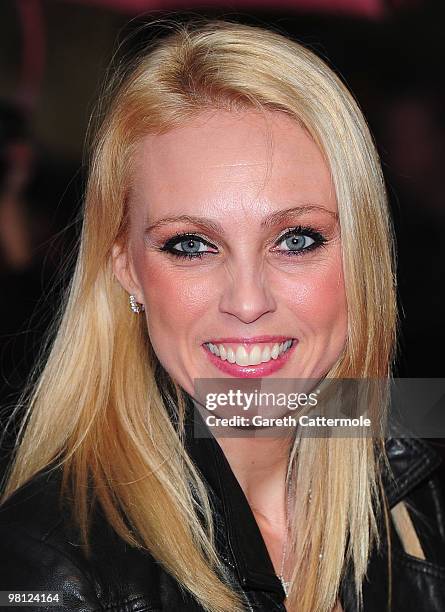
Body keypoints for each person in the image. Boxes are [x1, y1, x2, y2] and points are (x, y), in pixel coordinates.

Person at [0, 18, 444, 612]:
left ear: (362, 256)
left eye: (296, 238)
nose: (247, 300)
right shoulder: (48, 568)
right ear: (127, 267)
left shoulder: (413, 472)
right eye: (190, 244)